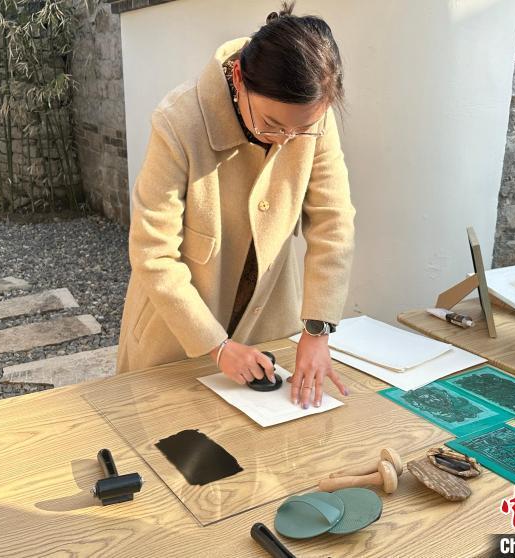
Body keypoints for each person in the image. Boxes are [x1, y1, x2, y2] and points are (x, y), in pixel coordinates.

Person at [116, 1, 356, 410]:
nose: (285, 139)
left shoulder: (311, 120)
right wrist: (218, 346)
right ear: (240, 78)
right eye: (272, 124)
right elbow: (152, 252)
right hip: (177, 337)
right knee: (169, 442)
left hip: (267, 327)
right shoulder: (178, 121)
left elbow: (333, 222)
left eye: (300, 130)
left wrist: (317, 330)